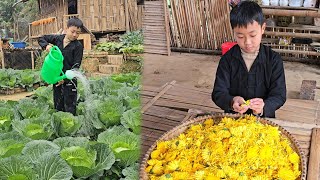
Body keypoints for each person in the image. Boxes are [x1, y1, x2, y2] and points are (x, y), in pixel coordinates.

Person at [212, 1, 286, 118]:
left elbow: (279, 95)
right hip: (234, 120)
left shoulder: (273, 60)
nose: (247, 42)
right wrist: (232, 101)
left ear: (262, 28)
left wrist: (263, 107)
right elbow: (218, 93)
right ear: (234, 33)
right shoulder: (227, 60)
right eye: (240, 36)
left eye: (252, 35)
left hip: (264, 121)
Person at [38, 18, 84, 115]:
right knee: (58, 106)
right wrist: (47, 46)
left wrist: (65, 79)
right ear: (66, 28)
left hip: (69, 81)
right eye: (73, 31)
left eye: (78, 33)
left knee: (69, 108)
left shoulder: (78, 46)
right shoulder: (58, 39)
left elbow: (76, 65)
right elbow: (41, 38)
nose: (75, 35)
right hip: (56, 78)